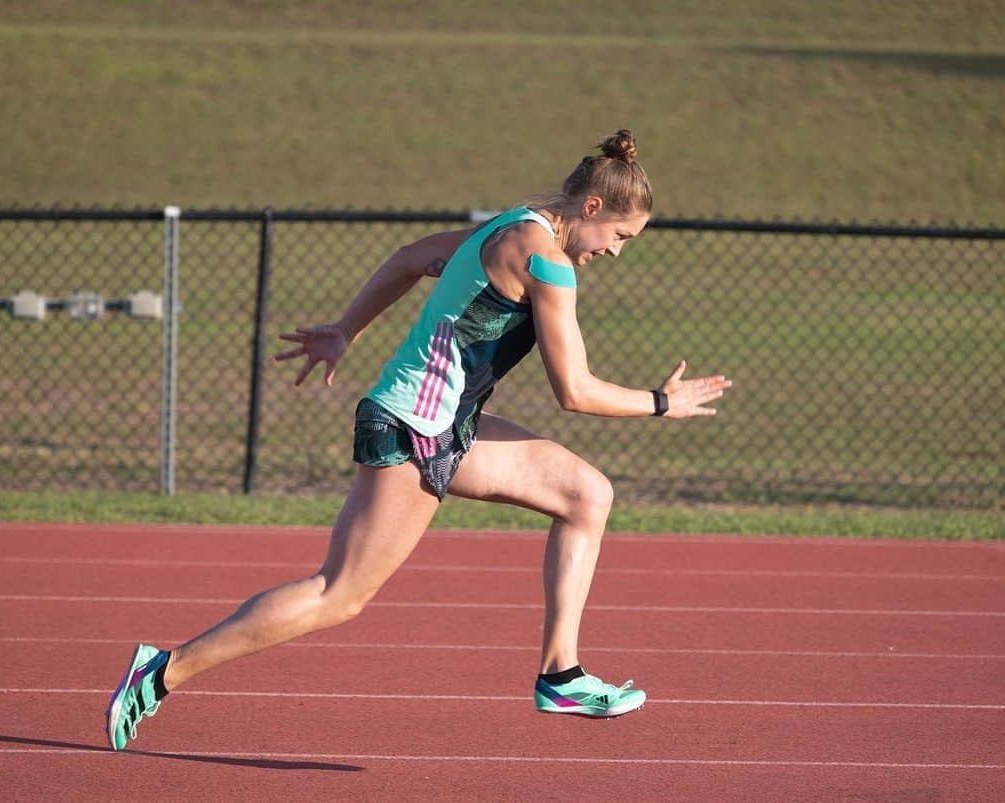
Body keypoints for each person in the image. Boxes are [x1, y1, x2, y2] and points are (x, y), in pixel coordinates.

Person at [105, 129, 732, 749]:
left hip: (445, 424)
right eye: (620, 237)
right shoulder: (548, 262)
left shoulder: (509, 223)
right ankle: (162, 672)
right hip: (411, 430)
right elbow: (574, 390)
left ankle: (560, 674)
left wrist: (347, 329)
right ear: (592, 208)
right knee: (339, 594)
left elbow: (411, 257)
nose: (618, 252)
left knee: (586, 494)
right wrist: (660, 403)